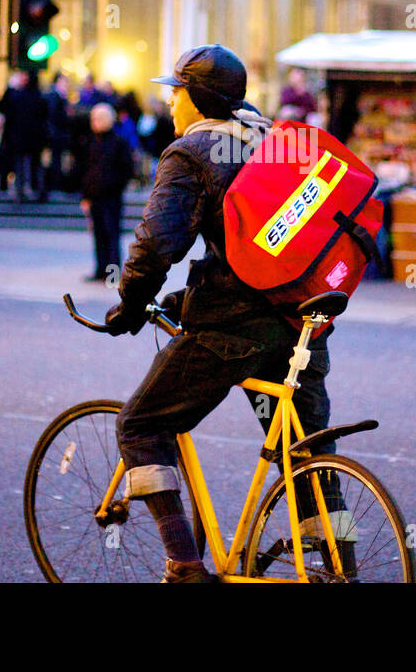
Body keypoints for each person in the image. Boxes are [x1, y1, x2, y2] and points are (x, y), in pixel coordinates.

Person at [105, 44, 336, 583]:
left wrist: (132, 303)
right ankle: (341, 564)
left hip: (234, 327)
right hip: (302, 322)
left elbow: (159, 242)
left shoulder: (192, 152)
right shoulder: (273, 139)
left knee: (141, 424)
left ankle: (184, 565)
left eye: (174, 92)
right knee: (304, 455)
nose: (168, 103)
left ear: (195, 98)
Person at [79, 103, 133, 282]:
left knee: (111, 235)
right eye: (93, 118)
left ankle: (112, 273)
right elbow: (85, 169)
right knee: (98, 235)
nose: (95, 122)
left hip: (111, 197)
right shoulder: (90, 141)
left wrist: (114, 186)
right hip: (94, 196)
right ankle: (100, 270)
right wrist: (85, 195)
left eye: (99, 118)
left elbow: (126, 169)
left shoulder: (119, 142)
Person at [0, 71, 45, 203]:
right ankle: (38, 191)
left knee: (20, 165)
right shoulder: (39, 97)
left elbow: (2, 108)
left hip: (19, 137)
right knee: (35, 165)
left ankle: (20, 192)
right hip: (34, 138)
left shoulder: (18, 96)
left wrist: (10, 88)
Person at [40, 73, 72, 202]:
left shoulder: (55, 95)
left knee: (56, 160)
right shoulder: (55, 96)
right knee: (56, 160)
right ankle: (55, 185)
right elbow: (56, 115)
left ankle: (55, 184)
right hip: (56, 134)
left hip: (56, 134)